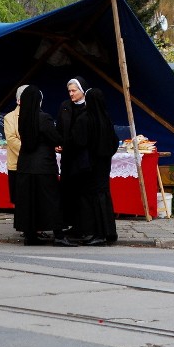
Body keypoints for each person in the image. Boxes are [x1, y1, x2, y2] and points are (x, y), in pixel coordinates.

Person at [14, 86, 77, 247]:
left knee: (30, 201)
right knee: (52, 200)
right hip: (43, 166)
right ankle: (59, 236)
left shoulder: (23, 118)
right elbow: (55, 137)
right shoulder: (43, 118)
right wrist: (60, 143)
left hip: (25, 165)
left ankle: (30, 235)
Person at [72, 88, 120, 246]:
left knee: (90, 198)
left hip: (89, 166)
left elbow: (78, 142)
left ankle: (96, 233)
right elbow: (114, 142)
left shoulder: (84, 118)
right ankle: (109, 232)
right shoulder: (106, 119)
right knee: (104, 195)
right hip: (104, 164)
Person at [55, 75, 90, 238]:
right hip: (68, 156)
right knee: (67, 190)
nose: (71, 94)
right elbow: (60, 128)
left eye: (74, 90)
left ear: (82, 91)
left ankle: (82, 225)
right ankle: (67, 222)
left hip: (82, 157)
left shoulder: (90, 107)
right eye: (69, 91)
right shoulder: (64, 106)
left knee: (81, 192)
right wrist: (58, 142)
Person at [3, 84, 29, 204]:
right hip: (17, 164)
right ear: (19, 100)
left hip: (34, 165)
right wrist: (29, 153)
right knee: (19, 199)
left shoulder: (38, 116)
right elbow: (12, 139)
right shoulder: (10, 118)